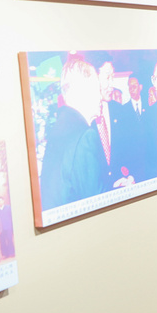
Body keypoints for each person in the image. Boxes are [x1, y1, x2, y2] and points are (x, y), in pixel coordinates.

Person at [39, 56, 106, 211]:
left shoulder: (59, 128)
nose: (100, 97)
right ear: (85, 91)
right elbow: (97, 205)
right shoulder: (85, 136)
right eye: (98, 89)